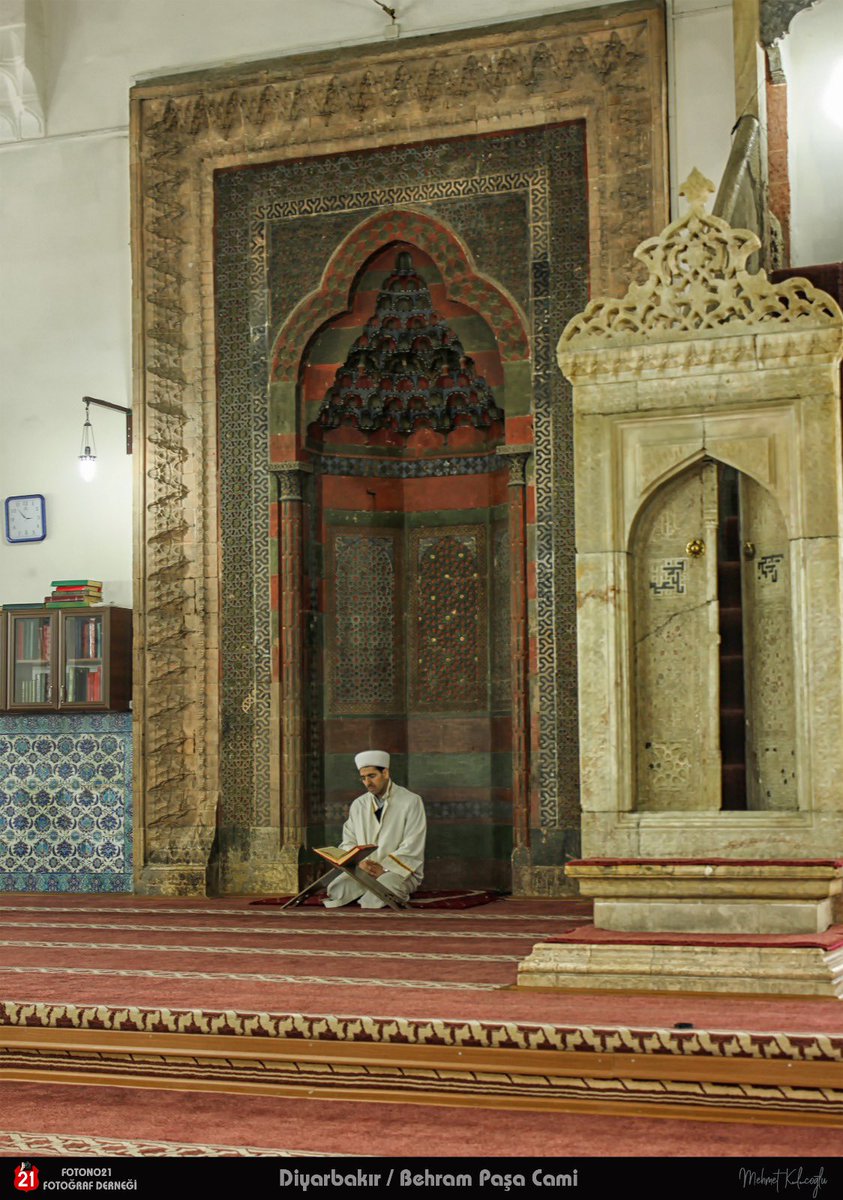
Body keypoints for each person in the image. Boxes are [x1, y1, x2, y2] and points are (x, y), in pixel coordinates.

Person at [323, 750, 426, 909]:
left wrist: (384, 868)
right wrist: (359, 865)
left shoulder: (411, 801)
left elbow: (413, 844)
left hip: (399, 870)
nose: (367, 783)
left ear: (385, 773)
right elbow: (348, 841)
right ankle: (366, 892)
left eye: (372, 776)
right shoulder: (359, 804)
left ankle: (372, 895)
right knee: (337, 889)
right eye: (363, 778)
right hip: (364, 869)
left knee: (382, 890)